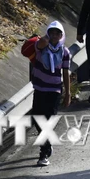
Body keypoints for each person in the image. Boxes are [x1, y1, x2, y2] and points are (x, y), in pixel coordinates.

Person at [30, 21, 71, 167]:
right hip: (40, 89)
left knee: (47, 121)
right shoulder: (41, 47)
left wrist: (68, 93)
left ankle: (44, 152)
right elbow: (39, 45)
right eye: (51, 32)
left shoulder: (64, 52)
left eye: (57, 33)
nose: (54, 36)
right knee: (36, 118)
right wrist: (45, 39)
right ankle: (47, 145)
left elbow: (65, 72)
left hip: (54, 91)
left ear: (61, 35)